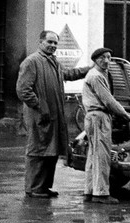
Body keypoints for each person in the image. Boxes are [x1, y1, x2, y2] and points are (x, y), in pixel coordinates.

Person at [15, 30, 90, 198]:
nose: (53, 46)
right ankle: (33, 188)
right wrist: (40, 107)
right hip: (39, 116)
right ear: (40, 42)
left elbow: (69, 74)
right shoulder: (32, 62)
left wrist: (90, 69)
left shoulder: (54, 62)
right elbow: (23, 90)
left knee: (51, 152)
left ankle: (43, 187)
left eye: (56, 43)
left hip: (53, 116)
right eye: (50, 42)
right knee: (37, 151)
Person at [81, 47, 130, 205]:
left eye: (109, 58)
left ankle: (90, 191)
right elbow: (108, 100)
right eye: (103, 58)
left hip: (93, 117)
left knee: (93, 157)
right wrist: (126, 115)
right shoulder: (96, 76)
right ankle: (101, 194)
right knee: (102, 157)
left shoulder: (95, 75)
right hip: (99, 117)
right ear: (96, 60)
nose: (106, 61)